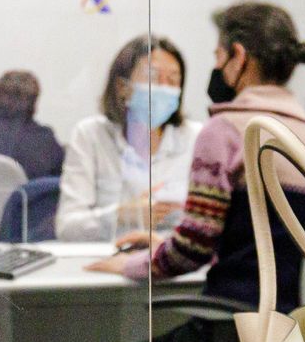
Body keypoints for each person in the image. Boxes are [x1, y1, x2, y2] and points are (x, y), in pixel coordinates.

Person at [71, 2, 305, 342]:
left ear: (238, 56)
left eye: (218, 56)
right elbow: (263, 237)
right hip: (291, 338)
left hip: (231, 328)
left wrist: (131, 265)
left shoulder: (225, 130)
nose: (217, 68)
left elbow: (191, 249)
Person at [56, 35, 202, 242]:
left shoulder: (196, 137)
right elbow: (67, 227)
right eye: (152, 77)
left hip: (173, 257)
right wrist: (122, 215)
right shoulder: (91, 135)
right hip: (109, 256)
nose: (163, 88)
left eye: (172, 80)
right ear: (122, 86)